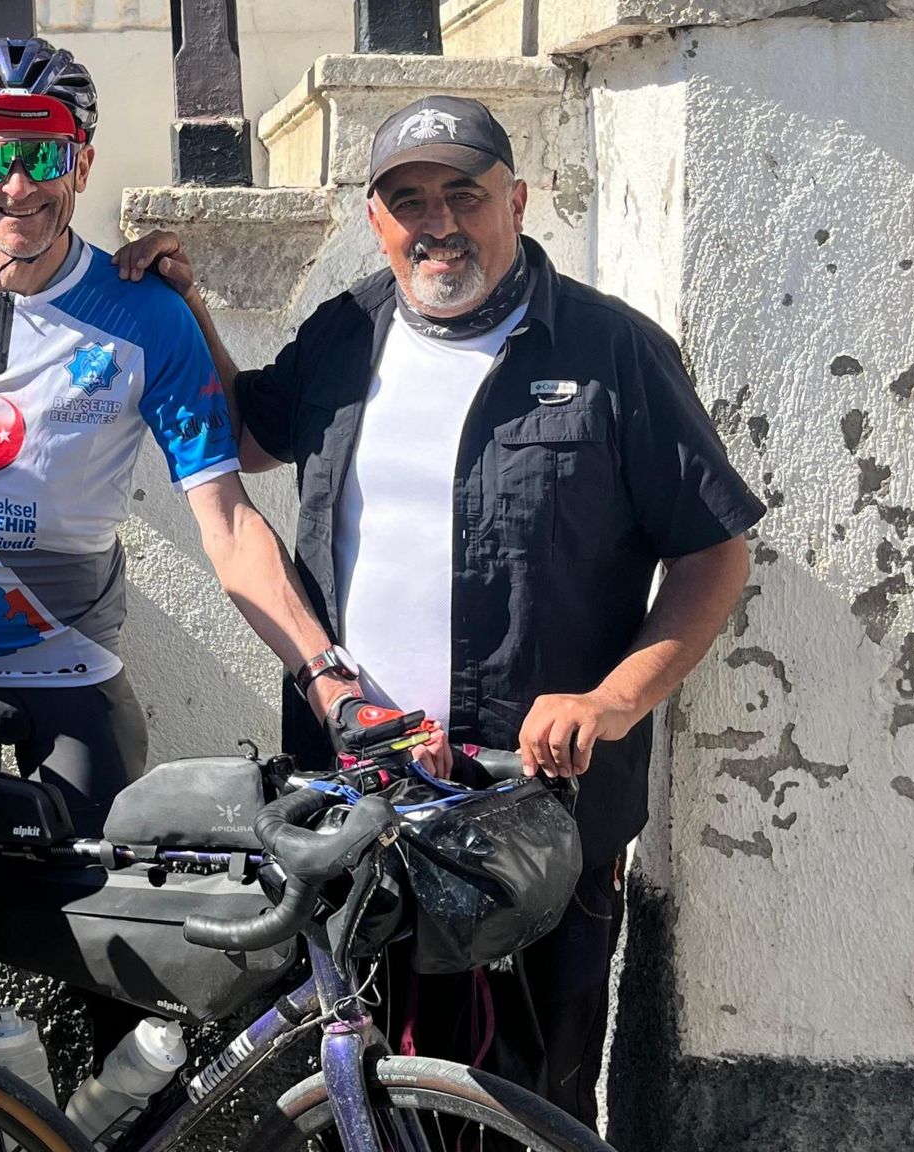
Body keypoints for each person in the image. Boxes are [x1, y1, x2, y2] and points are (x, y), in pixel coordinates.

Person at [118, 95, 761, 1126]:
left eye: (463, 193)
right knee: (361, 1088)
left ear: (514, 199)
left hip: (533, 814)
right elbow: (244, 437)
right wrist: (183, 308)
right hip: (362, 800)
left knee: (525, 1097)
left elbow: (712, 550)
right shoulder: (344, 332)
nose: (438, 222)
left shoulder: (610, 352)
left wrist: (612, 699)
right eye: (407, 200)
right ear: (375, 222)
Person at [0, 36, 424, 841]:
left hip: (69, 665)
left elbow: (230, 523)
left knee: (101, 911)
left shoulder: (147, 315)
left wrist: (323, 673)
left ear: (82, 164)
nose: (19, 185)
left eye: (44, 154)